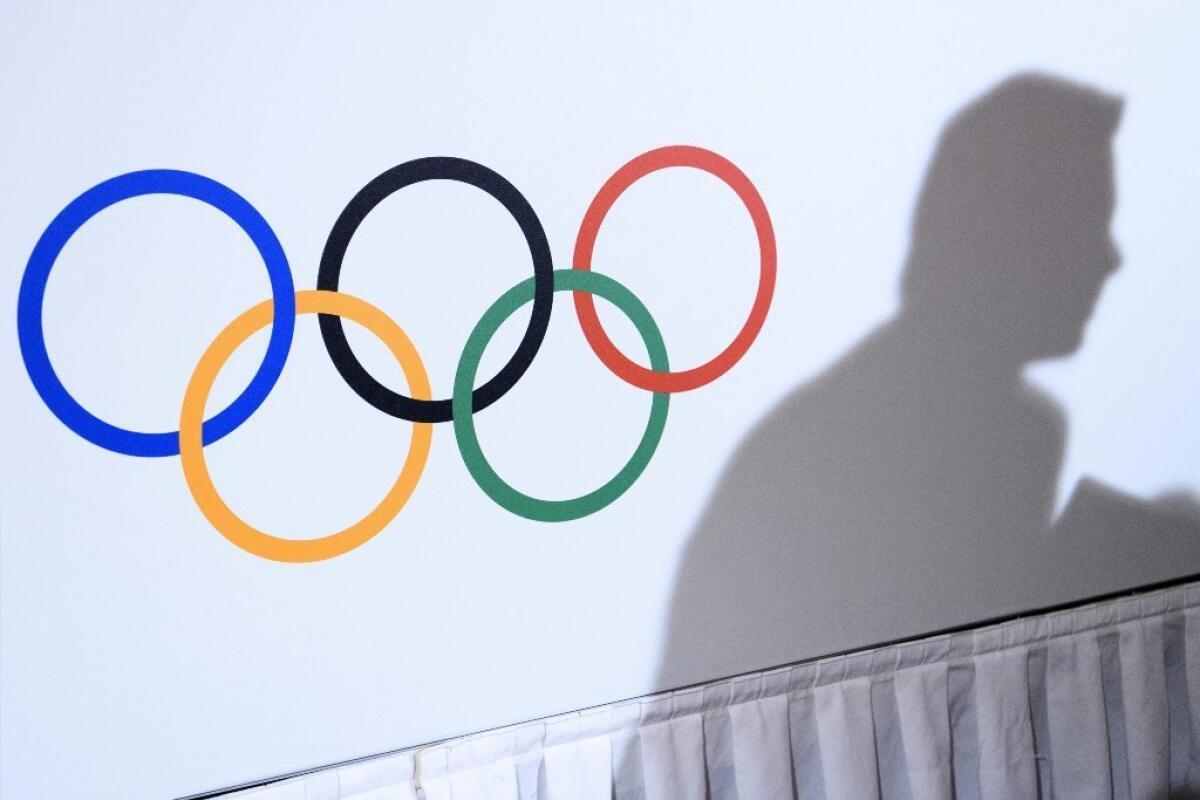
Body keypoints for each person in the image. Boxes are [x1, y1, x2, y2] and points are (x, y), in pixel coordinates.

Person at [655, 72, 1200, 691]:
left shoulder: (1002, 422)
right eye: (1085, 218)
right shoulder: (892, 433)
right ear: (1007, 237)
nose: (1109, 256)